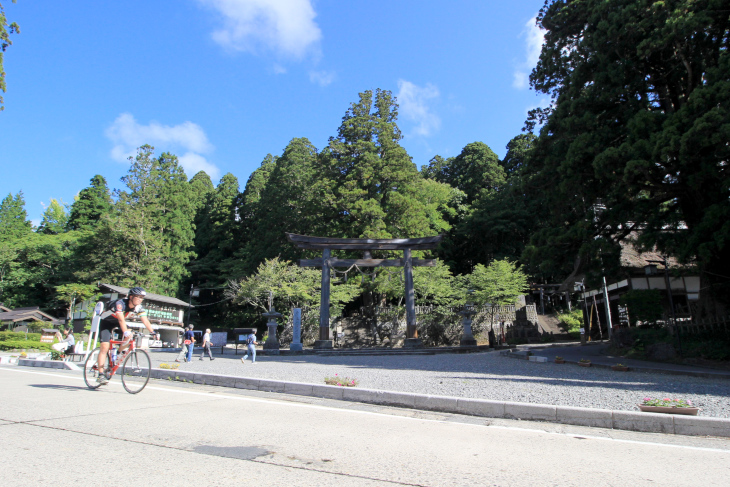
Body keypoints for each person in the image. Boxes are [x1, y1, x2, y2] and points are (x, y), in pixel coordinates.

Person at [96, 287, 157, 385]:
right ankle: (100, 374)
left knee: (131, 335)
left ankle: (118, 354)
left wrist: (153, 332)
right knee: (105, 347)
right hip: (106, 322)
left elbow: (145, 320)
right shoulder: (120, 304)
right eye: (138, 297)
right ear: (131, 297)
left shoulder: (139, 307)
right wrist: (125, 332)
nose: (140, 299)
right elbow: (121, 320)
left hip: (119, 323)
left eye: (142, 297)